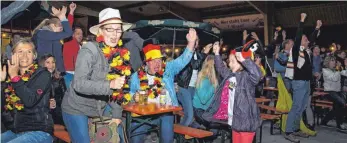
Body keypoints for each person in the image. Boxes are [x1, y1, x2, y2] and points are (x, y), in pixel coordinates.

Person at [61, 8, 132, 142]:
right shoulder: (89, 50)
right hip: (76, 108)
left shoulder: (120, 55)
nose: (115, 34)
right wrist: (109, 84)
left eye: (118, 29)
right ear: (100, 31)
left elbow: (118, 91)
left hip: (98, 109)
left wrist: (117, 114)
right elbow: (79, 84)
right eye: (109, 29)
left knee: (117, 138)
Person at [129, 28, 197, 143]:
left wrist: (191, 43)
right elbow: (130, 94)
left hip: (165, 113)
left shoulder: (168, 69)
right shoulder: (137, 76)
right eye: (153, 61)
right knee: (135, 137)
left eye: (159, 60)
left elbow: (182, 60)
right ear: (146, 62)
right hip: (145, 115)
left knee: (167, 139)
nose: (157, 64)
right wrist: (133, 96)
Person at [207, 41, 262, 143]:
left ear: (241, 63)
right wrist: (217, 54)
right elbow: (221, 68)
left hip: (246, 121)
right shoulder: (231, 76)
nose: (229, 63)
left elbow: (257, 75)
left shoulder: (246, 78)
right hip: (235, 121)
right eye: (229, 61)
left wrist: (245, 60)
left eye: (232, 61)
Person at [0, 38, 53, 142]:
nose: (24, 56)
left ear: (34, 56)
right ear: (13, 55)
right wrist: (1, 83)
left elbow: (30, 100)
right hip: (15, 131)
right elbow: (3, 107)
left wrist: (14, 77)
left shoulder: (43, 74)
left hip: (39, 131)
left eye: (29, 52)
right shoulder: (10, 76)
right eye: (20, 52)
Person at [284, 13, 315, 142]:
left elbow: (312, 40)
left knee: (301, 108)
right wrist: (301, 21)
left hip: (306, 83)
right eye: (305, 39)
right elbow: (298, 38)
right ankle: (288, 131)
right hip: (299, 83)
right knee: (296, 107)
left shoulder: (306, 52)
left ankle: (296, 129)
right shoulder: (297, 51)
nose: (307, 40)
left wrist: (317, 28)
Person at [175, 38, 212, 127]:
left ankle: (182, 132)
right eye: (194, 40)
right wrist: (205, 52)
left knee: (190, 114)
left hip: (193, 87)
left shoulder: (198, 54)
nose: (196, 42)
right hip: (184, 87)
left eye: (197, 41)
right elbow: (195, 65)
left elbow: (202, 66)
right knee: (189, 115)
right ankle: (180, 135)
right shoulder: (185, 52)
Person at [32, 5, 73, 73]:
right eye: (60, 28)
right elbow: (68, 33)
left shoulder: (48, 35)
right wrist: (62, 17)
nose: (61, 31)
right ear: (52, 25)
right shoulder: (44, 33)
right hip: (46, 68)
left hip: (53, 69)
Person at [192, 55, 219, 137]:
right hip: (200, 110)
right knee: (215, 128)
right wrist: (214, 86)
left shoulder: (211, 78)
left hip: (207, 110)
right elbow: (203, 99)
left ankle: (193, 127)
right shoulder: (203, 78)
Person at [321, 55, 347, 131]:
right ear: (328, 62)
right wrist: (338, 69)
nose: (334, 62)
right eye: (332, 60)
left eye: (334, 61)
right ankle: (340, 124)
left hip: (337, 91)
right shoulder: (325, 70)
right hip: (329, 91)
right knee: (342, 103)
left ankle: (325, 121)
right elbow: (334, 78)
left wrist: (346, 65)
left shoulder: (337, 70)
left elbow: (345, 73)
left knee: (337, 107)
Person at [39, 54, 66, 125]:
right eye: (48, 62)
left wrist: (55, 102)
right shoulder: (38, 80)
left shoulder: (59, 79)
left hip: (58, 111)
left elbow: (65, 98)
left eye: (53, 62)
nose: (51, 65)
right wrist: (47, 103)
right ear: (42, 64)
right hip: (42, 112)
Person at [62, 2, 80, 87]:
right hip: (68, 73)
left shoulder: (80, 46)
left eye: (82, 33)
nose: (80, 35)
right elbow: (68, 27)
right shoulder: (68, 41)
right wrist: (71, 12)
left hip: (78, 75)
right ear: (72, 34)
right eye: (78, 33)